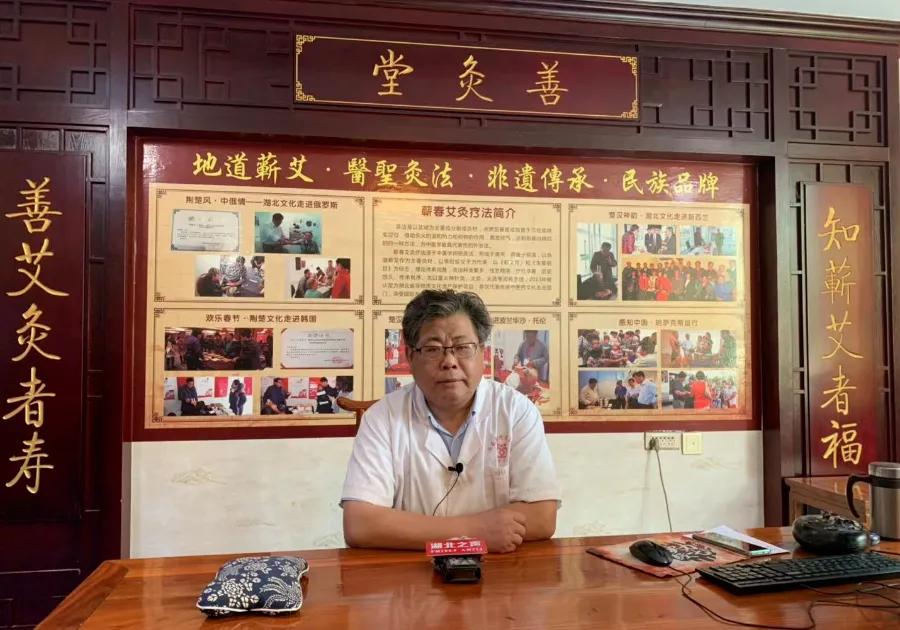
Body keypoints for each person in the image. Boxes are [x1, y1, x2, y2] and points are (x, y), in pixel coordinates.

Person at [340, 289, 559, 553]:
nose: (449, 362)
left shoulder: (516, 410)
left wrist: (425, 531)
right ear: (410, 357)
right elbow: (360, 524)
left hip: (501, 570)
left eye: (463, 348)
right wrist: (476, 531)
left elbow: (542, 517)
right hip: (411, 572)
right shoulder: (382, 417)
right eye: (433, 349)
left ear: (482, 352)